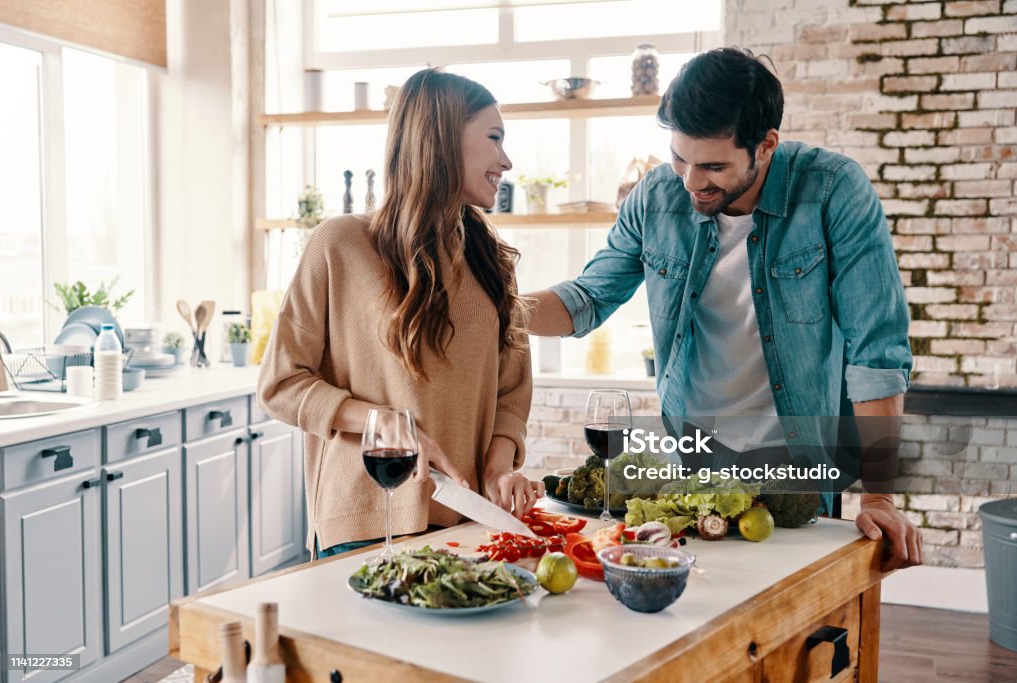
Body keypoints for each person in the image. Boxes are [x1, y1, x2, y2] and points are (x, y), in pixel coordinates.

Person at [525, 48, 922, 570]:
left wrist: (879, 499)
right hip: (684, 464)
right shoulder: (656, 197)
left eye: (713, 165)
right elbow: (588, 298)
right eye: (679, 158)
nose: (691, 180)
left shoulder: (832, 192)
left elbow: (877, 353)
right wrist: (492, 308)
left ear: (767, 145)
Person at [258, 68, 542, 559]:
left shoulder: (492, 262)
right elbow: (280, 384)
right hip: (364, 520)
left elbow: (511, 392)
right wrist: (383, 422)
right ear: (443, 140)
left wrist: (498, 467)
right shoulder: (341, 244)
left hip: (465, 519)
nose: (506, 160)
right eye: (494, 138)